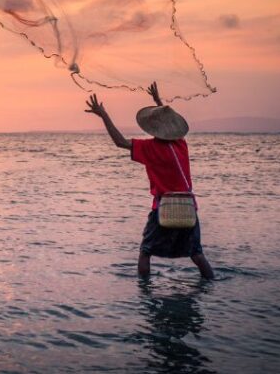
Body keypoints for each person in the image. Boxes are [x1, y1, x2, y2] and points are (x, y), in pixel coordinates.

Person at [85, 82, 215, 280]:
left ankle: (144, 295)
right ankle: (210, 285)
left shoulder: (150, 148)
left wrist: (104, 115)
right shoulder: (181, 144)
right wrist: (158, 101)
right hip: (188, 207)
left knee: (146, 252)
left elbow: (120, 142)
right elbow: (170, 128)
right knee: (196, 254)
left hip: (163, 207)